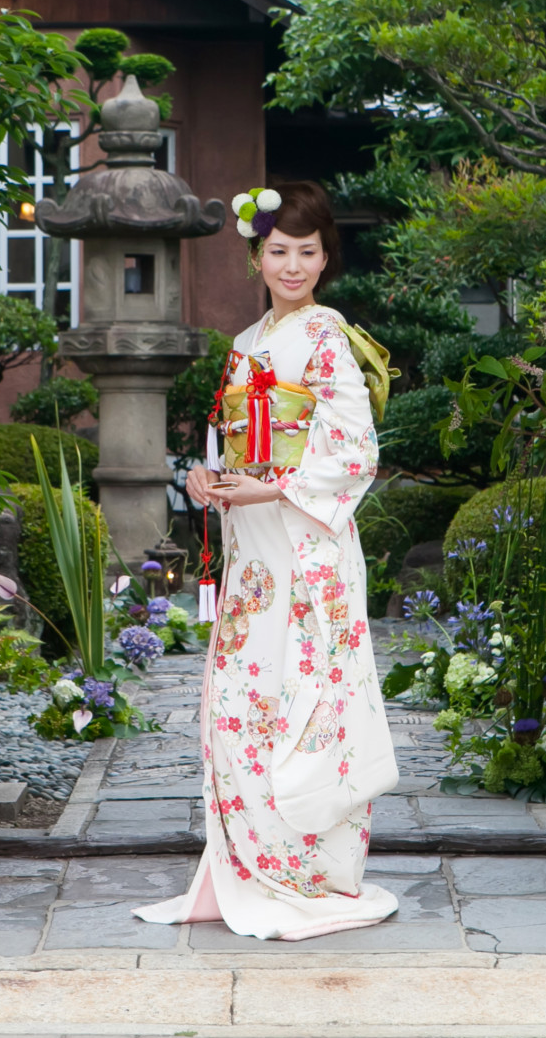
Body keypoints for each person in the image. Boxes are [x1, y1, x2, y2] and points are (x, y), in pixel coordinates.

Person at [133, 179, 400, 941]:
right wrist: (206, 477)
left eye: (306, 252)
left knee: (307, 707)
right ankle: (248, 864)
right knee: (240, 706)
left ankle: (310, 872)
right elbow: (231, 444)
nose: (292, 266)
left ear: (326, 258)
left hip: (308, 555)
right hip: (255, 558)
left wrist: (269, 486)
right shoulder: (247, 346)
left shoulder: (326, 338)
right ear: (257, 256)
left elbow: (353, 452)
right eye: (277, 251)